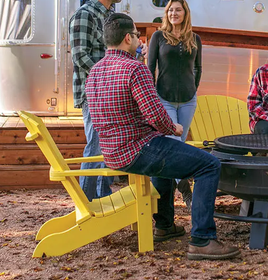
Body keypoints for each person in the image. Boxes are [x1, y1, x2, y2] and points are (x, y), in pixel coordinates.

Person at [86, 13, 241, 260]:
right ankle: (202, 239)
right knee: (209, 165)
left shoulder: (95, 71)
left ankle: (165, 225)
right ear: (128, 38)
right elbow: (155, 116)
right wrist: (174, 128)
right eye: (136, 35)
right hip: (138, 149)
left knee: (165, 157)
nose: (138, 39)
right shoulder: (135, 69)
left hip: (113, 152)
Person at [70, 0, 127, 200]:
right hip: (93, 93)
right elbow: (80, 55)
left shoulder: (110, 16)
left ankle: (103, 198)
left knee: (107, 148)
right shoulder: (85, 14)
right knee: (95, 149)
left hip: (109, 92)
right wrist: (110, 73)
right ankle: (86, 203)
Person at [148, 0, 202, 204]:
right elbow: (151, 67)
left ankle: (176, 186)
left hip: (189, 99)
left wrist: (193, 88)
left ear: (185, 13)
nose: (174, 14)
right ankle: (185, 187)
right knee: (173, 140)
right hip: (164, 98)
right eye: (170, 10)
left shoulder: (195, 38)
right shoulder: (158, 37)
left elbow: (198, 68)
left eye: (178, 10)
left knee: (180, 143)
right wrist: (153, 96)